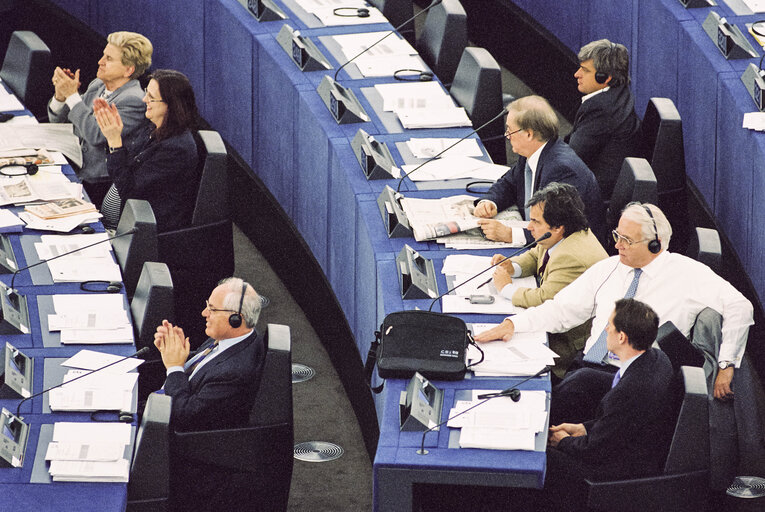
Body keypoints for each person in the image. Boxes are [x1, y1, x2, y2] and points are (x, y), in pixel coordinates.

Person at [475, 203, 753, 414]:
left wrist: (726, 364)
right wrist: (513, 324)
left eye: (626, 240)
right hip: (589, 365)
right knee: (535, 386)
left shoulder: (688, 274)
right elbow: (561, 310)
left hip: (635, 384)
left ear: (655, 245)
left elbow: (740, 306)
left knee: (556, 398)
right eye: (617, 235)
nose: (617, 244)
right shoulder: (609, 268)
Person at [542, 299, 675, 511]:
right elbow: (618, 421)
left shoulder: (629, 390)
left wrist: (564, 441)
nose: (605, 329)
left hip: (622, 469)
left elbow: (594, 450)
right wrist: (583, 428)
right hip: (631, 443)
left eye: (610, 326)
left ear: (622, 337)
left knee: (543, 457)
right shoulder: (656, 358)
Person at [490, 182, 608, 377]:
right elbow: (537, 254)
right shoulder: (561, 235)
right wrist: (513, 267)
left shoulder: (572, 257)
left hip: (565, 345)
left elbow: (544, 299)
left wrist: (506, 289)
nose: (529, 227)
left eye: (536, 221)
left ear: (558, 227)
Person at [474, 95, 606, 245]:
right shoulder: (533, 151)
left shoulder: (562, 170)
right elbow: (510, 183)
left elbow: (558, 231)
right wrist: (490, 202)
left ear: (529, 134)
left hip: (575, 256)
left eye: (510, 131)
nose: (507, 137)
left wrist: (510, 234)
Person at [48, 31, 153, 207]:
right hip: (73, 166)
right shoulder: (98, 85)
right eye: (103, 55)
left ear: (129, 70)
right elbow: (62, 123)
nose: (100, 62)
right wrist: (61, 96)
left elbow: (96, 135)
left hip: (97, 185)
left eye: (109, 59)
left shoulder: (133, 100)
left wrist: (72, 96)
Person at [152, 277, 266, 432]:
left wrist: (174, 368)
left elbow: (184, 415)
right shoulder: (231, 337)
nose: (204, 313)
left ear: (235, 319)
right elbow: (206, 364)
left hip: (168, 433)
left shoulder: (234, 373)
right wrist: (174, 349)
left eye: (212, 309)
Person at [94, 69, 199, 232]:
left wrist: (115, 142)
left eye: (151, 97)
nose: (144, 100)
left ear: (170, 105)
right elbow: (126, 170)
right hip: (118, 221)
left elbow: (130, 191)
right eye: (146, 93)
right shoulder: (154, 128)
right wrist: (114, 134)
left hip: (134, 231)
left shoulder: (176, 148)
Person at [564, 39, 641, 199]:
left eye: (584, 70)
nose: (576, 74)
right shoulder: (617, 94)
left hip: (592, 196)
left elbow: (570, 159)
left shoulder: (601, 109)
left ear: (604, 77)